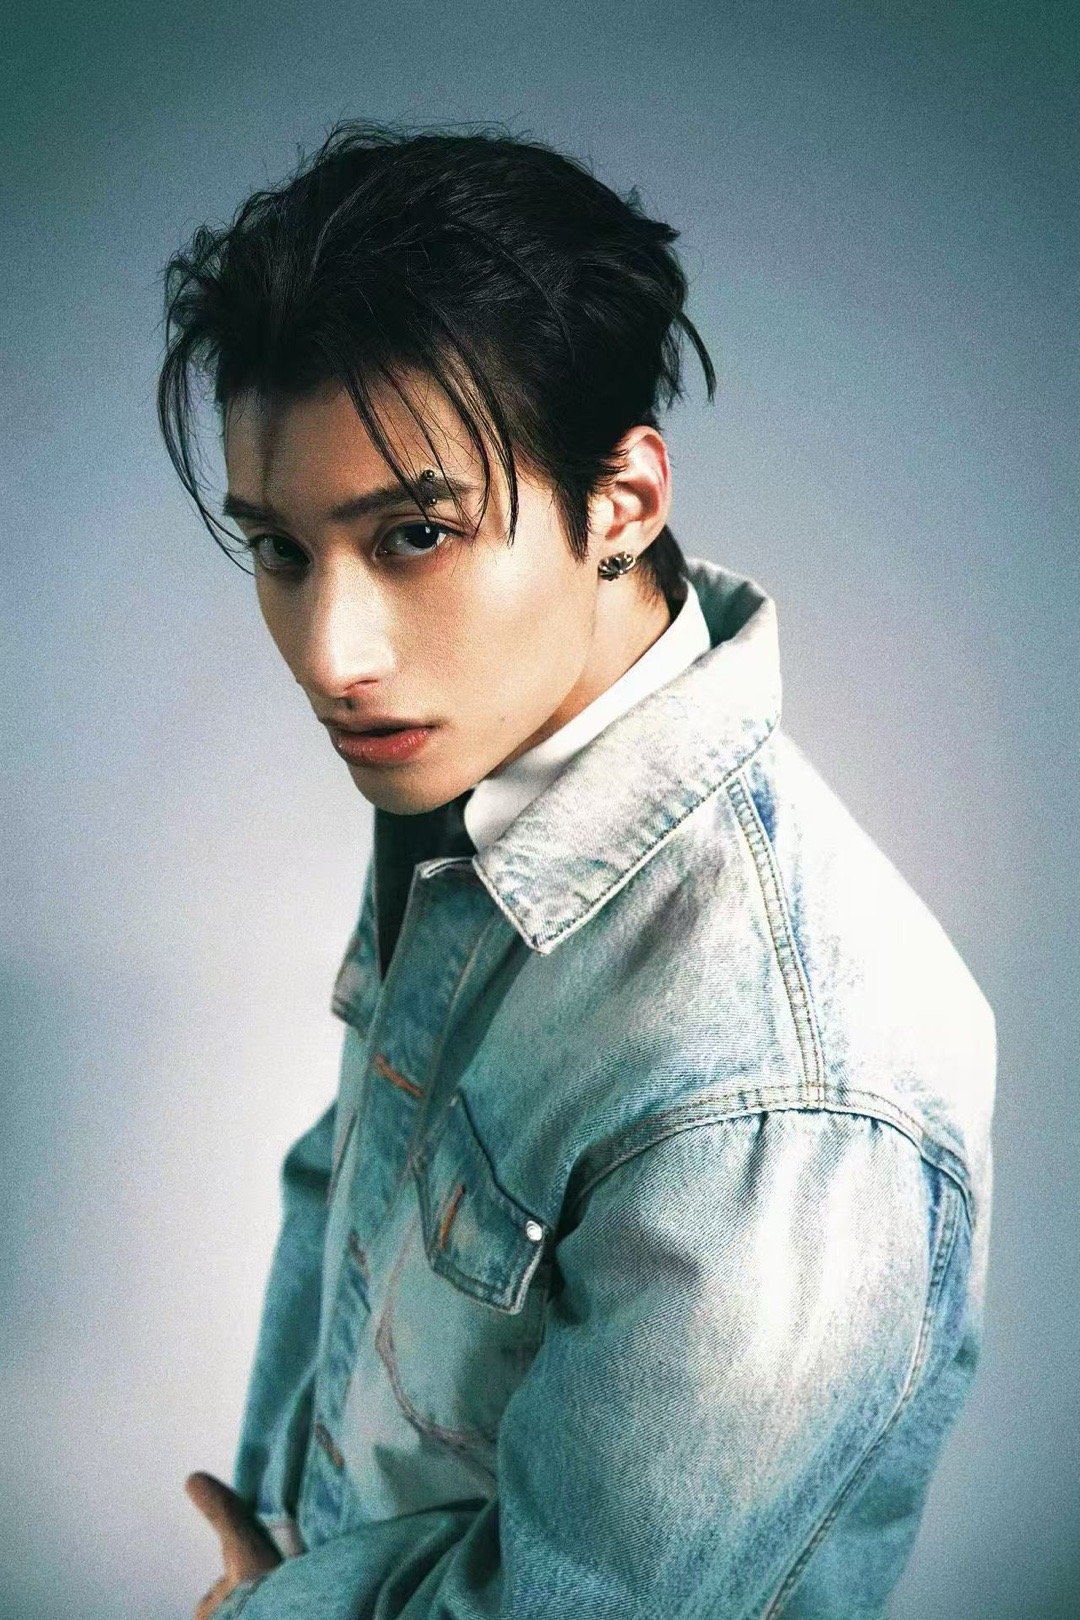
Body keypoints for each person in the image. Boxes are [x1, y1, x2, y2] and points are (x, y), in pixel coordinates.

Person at [157, 117, 996, 1620]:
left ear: (623, 505)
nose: (332, 657)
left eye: (415, 535)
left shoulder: (783, 1084)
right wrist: (282, 1555)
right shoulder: (482, 782)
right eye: (279, 550)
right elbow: (355, 1210)